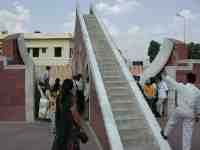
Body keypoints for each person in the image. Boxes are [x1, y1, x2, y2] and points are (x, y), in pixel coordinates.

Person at [161, 72, 200, 150]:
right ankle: (186, 148)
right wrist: (198, 115)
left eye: (185, 77)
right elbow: (198, 104)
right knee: (187, 133)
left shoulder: (181, 86)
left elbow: (172, 82)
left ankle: (165, 134)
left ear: (187, 79)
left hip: (180, 110)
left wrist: (166, 76)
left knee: (172, 121)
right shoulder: (198, 91)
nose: (184, 79)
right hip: (190, 112)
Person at [52, 79, 82, 150]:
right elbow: (75, 115)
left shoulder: (59, 97)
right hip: (70, 127)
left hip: (61, 127)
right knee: (71, 146)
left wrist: (56, 127)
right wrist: (80, 127)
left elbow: (57, 114)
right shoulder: (72, 98)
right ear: (71, 88)